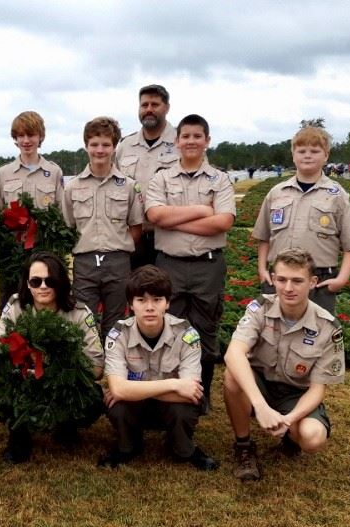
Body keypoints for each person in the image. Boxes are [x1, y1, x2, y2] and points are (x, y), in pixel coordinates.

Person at [223, 249, 345, 481]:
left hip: (295, 394)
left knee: (313, 438)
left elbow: (318, 389)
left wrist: (288, 420)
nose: (288, 288)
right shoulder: (259, 308)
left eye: (297, 281)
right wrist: (260, 406)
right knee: (232, 375)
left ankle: (290, 436)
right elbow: (233, 353)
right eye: (281, 279)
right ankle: (244, 446)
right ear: (273, 278)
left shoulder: (328, 327)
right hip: (259, 386)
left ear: (312, 282)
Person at [146, 114, 236, 412]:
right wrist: (200, 210)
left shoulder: (219, 179)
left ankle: (202, 394)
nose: (191, 141)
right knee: (168, 329)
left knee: (205, 330)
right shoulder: (162, 178)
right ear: (177, 141)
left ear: (207, 141)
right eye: (186, 136)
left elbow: (223, 222)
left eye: (198, 136)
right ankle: (170, 392)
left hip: (207, 267)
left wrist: (175, 222)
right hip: (169, 265)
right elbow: (156, 216)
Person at [99, 265, 218, 470]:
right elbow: (117, 390)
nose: (150, 307)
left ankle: (184, 449)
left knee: (185, 407)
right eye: (141, 300)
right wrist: (173, 384)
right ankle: (128, 446)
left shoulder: (186, 334)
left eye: (157, 299)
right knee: (116, 406)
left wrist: (132, 390)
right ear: (131, 305)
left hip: (169, 406)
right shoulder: (117, 335)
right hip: (139, 405)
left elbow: (190, 392)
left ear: (168, 303)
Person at [0, 252, 104, 463]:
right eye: (36, 281)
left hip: (64, 382)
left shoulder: (79, 313)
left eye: (50, 280)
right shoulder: (16, 308)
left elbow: (97, 367)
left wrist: (60, 368)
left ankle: (66, 425)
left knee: (94, 398)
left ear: (61, 282)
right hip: (24, 380)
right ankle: (19, 435)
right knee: (2, 385)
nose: (43, 286)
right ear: (27, 284)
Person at [252, 126, 350, 314]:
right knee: (272, 335)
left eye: (315, 151)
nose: (307, 156)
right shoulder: (276, 193)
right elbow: (263, 236)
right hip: (280, 279)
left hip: (319, 280)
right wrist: (262, 270)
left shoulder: (337, 195)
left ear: (326, 155)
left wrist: (342, 279)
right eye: (301, 151)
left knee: (316, 337)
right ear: (293, 155)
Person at [62, 116, 144, 340]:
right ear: (86, 145)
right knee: (83, 318)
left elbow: (136, 225)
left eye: (106, 144)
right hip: (85, 262)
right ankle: (89, 368)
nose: (100, 150)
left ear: (114, 147)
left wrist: (119, 246)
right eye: (94, 144)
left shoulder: (128, 186)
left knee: (116, 319)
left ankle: (114, 368)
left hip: (117, 262)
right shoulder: (72, 187)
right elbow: (68, 225)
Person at [0, 110, 64, 312]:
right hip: (13, 255)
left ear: (40, 137)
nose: (26, 140)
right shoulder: (3, 174)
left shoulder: (54, 172)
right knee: (9, 305)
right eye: (20, 136)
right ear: (14, 138)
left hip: (44, 251)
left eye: (31, 135)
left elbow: (60, 212)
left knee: (46, 304)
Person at [116, 84, 179, 269]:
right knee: (135, 294)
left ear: (166, 107)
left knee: (166, 295)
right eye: (144, 105)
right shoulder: (125, 146)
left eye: (155, 104)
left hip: (169, 238)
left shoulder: (181, 142)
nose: (149, 110)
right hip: (134, 238)